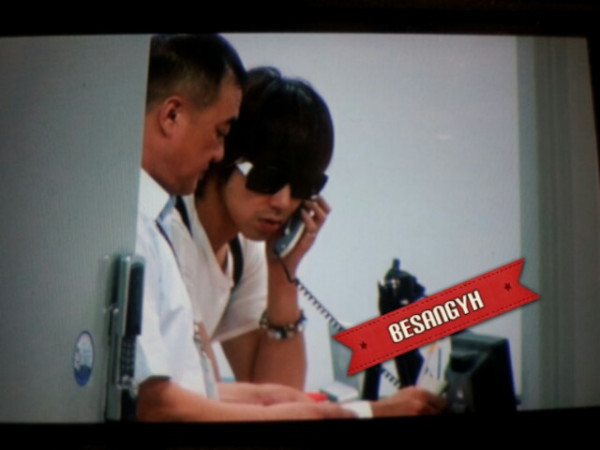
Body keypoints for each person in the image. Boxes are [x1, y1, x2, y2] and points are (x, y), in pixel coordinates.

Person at [136, 34, 445, 421]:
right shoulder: (168, 232)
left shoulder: (241, 250)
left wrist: (284, 273)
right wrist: (368, 412)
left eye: (302, 186)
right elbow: (200, 399)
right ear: (227, 154)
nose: (283, 201)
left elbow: (276, 391)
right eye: (268, 177)